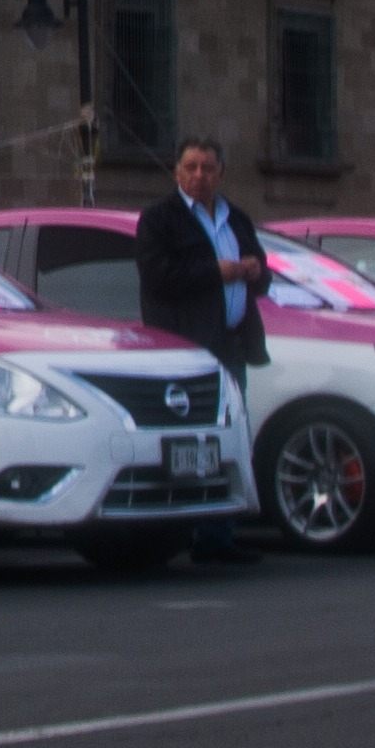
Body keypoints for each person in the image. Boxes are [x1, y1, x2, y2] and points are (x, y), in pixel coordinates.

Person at [136, 137, 270, 565]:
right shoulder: (160, 219)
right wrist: (216, 272)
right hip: (186, 348)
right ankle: (177, 528)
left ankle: (218, 535)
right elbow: (158, 278)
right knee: (187, 442)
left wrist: (255, 270)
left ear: (221, 173)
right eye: (191, 167)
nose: (199, 176)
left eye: (208, 168)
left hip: (230, 345)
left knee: (231, 437)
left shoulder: (236, 219)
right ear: (177, 171)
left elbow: (264, 278)